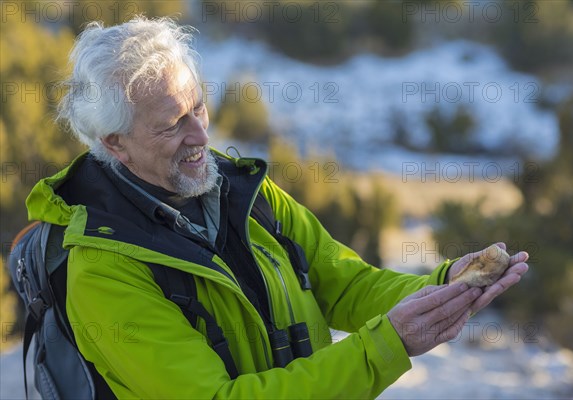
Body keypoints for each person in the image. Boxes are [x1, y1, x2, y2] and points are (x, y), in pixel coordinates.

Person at [26, 16, 529, 398]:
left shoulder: (242, 190)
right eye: (172, 123)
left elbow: (344, 283)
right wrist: (387, 345)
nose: (201, 134)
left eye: (198, 106)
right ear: (116, 143)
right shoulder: (102, 272)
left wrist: (444, 285)